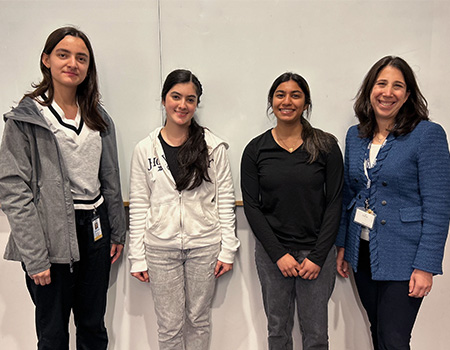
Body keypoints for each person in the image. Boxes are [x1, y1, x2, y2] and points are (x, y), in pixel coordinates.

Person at [0, 26, 126, 350]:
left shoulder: (99, 118)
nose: (73, 63)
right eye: (63, 54)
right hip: (51, 237)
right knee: (54, 335)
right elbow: (13, 188)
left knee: (93, 328)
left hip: (95, 233)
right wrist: (34, 255)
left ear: (88, 67)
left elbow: (109, 178)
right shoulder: (27, 118)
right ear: (46, 60)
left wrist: (117, 232)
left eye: (81, 58)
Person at [336, 56, 450, 350]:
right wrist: (342, 245)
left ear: (408, 94)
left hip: (405, 256)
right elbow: (349, 194)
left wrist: (426, 266)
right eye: (381, 84)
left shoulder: (427, 135)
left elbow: (438, 206)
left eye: (397, 86)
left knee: (395, 338)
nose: (388, 92)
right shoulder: (355, 135)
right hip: (362, 252)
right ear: (369, 90)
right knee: (378, 331)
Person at [128, 69, 240, 350]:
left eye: (190, 99)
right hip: (160, 248)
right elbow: (140, 203)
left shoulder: (213, 148)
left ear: (197, 104)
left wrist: (228, 249)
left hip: (205, 246)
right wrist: (137, 256)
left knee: (198, 320)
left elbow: (225, 200)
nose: (182, 105)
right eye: (175, 97)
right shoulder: (145, 149)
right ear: (164, 100)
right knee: (169, 326)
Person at [241, 72, 344, 350]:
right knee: (277, 332)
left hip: (316, 254)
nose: (287, 101)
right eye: (280, 94)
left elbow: (335, 202)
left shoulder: (325, 146)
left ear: (306, 103)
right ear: (271, 101)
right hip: (273, 255)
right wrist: (279, 255)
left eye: (295, 95)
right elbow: (251, 206)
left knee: (316, 336)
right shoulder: (255, 150)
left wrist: (318, 256)